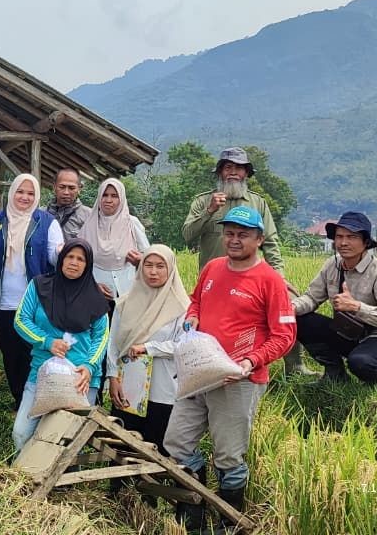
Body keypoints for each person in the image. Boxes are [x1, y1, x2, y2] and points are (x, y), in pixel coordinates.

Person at [165, 206, 296, 531]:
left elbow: (285, 336)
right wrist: (193, 316)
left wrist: (250, 361)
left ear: (259, 239)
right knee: (177, 443)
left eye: (243, 234)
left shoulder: (270, 281)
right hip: (199, 371)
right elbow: (196, 301)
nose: (234, 240)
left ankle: (227, 524)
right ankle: (192, 519)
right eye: (229, 233)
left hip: (238, 380)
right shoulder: (212, 268)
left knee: (228, 457)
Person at [180, 146, 313, 377]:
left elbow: (270, 241)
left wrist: (279, 278)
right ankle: (206, 367)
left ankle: (294, 366)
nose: (233, 173)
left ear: (246, 174)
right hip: (215, 282)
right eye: (227, 167)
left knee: (289, 303)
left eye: (238, 168)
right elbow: (187, 235)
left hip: (251, 280)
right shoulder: (203, 202)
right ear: (220, 173)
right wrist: (210, 211)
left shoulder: (257, 204)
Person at [11, 239, 111, 450]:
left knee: (70, 440)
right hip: (42, 371)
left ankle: (63, 482)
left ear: (88, 265)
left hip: (79, 378)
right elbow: (21, 319)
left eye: (80, 259)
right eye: (70, 257)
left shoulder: (96, 298)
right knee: (21, 433)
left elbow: (101, 337)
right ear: (61, 259)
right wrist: (46, 341)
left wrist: (90, 367)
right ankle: (28, 478)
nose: (74, 263)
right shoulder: (39, 286)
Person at [0, 174, 65, 409]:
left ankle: (37, 399)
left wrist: (62, 252)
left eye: (30, 193)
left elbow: (55, 258)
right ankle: (20, 400)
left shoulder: (46, 222)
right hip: (3, 302)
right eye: (20, 192)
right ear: (12, 193)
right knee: (11, 353)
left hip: (35, 301)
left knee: (33, 353)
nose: (25, 197)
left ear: (36, 196)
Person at [292, 211, 377, 384]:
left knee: (360, 362)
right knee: (300, 320)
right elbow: (311, 298)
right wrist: (289, 307)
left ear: (366, 242)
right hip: (349, 332)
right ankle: (335, 374)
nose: (343, 242)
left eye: (351, 237)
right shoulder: (333, 264)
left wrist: (357, 307)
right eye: (339, 236)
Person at [105, 245, 187, 458]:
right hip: (129, 386)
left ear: (170, 270)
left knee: (157, 444)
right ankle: (119, 489)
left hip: (164, 389)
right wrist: (112, 377)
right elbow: (113, 343)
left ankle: (150, 490)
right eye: (148, 265)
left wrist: (149, 348)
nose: (153, 271)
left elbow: (184, 345)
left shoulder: (181, 308)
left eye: (160, 266)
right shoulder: (125, 302)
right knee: (123, 439)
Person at [82, 179, 149, 300]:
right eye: (105, 195)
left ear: (121, 199)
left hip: (129, 293)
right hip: (96, 294)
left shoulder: (131, 224)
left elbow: (148, 256)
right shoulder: (89, 225)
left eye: (114, 196)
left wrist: (140, 260)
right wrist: (91, 285)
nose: (108, 200)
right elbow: (80, 260)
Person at [47, 168, 93, 239]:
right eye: (62, 187)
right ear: (54, 187)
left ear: (79, 189)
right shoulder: (42, 214)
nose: (66, 192)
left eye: (71, 188)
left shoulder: (89, 216)